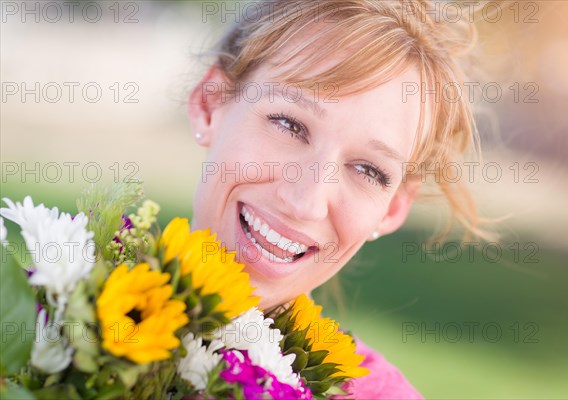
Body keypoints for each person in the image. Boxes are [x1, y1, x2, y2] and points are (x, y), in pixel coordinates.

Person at [187, 1, 483, 398]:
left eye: (367, 170)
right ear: (210, 104)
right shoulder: (80, 297)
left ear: (393, 208)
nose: (305, 201)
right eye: (289, 125)